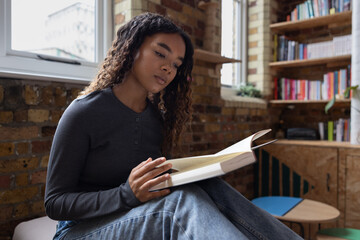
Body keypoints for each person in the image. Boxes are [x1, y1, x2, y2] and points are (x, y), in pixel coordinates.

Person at [45, 12, 302, 240]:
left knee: (208, 186)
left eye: (177, 64)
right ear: (131, 48)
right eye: (160, 53)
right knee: (177, 205)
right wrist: (126, 195)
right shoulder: (84, 111)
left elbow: (153, 187)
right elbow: (55, 203)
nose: (169, 68)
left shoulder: (156, 120)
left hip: (132, 215)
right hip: (78, 230)